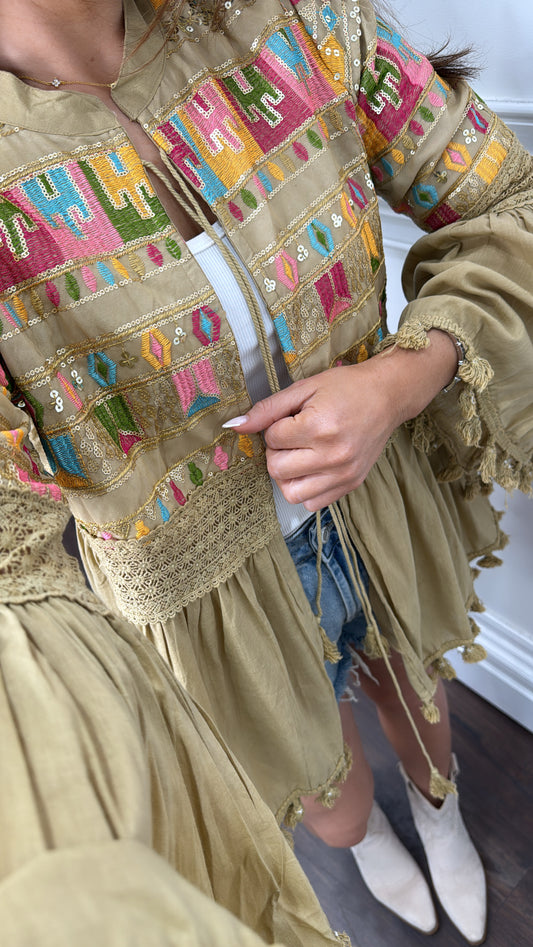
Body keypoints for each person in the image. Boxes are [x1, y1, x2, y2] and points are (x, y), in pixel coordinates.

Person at [0, 0, 531, 944]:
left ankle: (442, 812)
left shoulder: (292, 16)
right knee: (314, 768)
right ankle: (366, 845)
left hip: (376, 491)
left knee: (414, 683)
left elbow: (508, 197)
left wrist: (400, 379)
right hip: (197, 582)